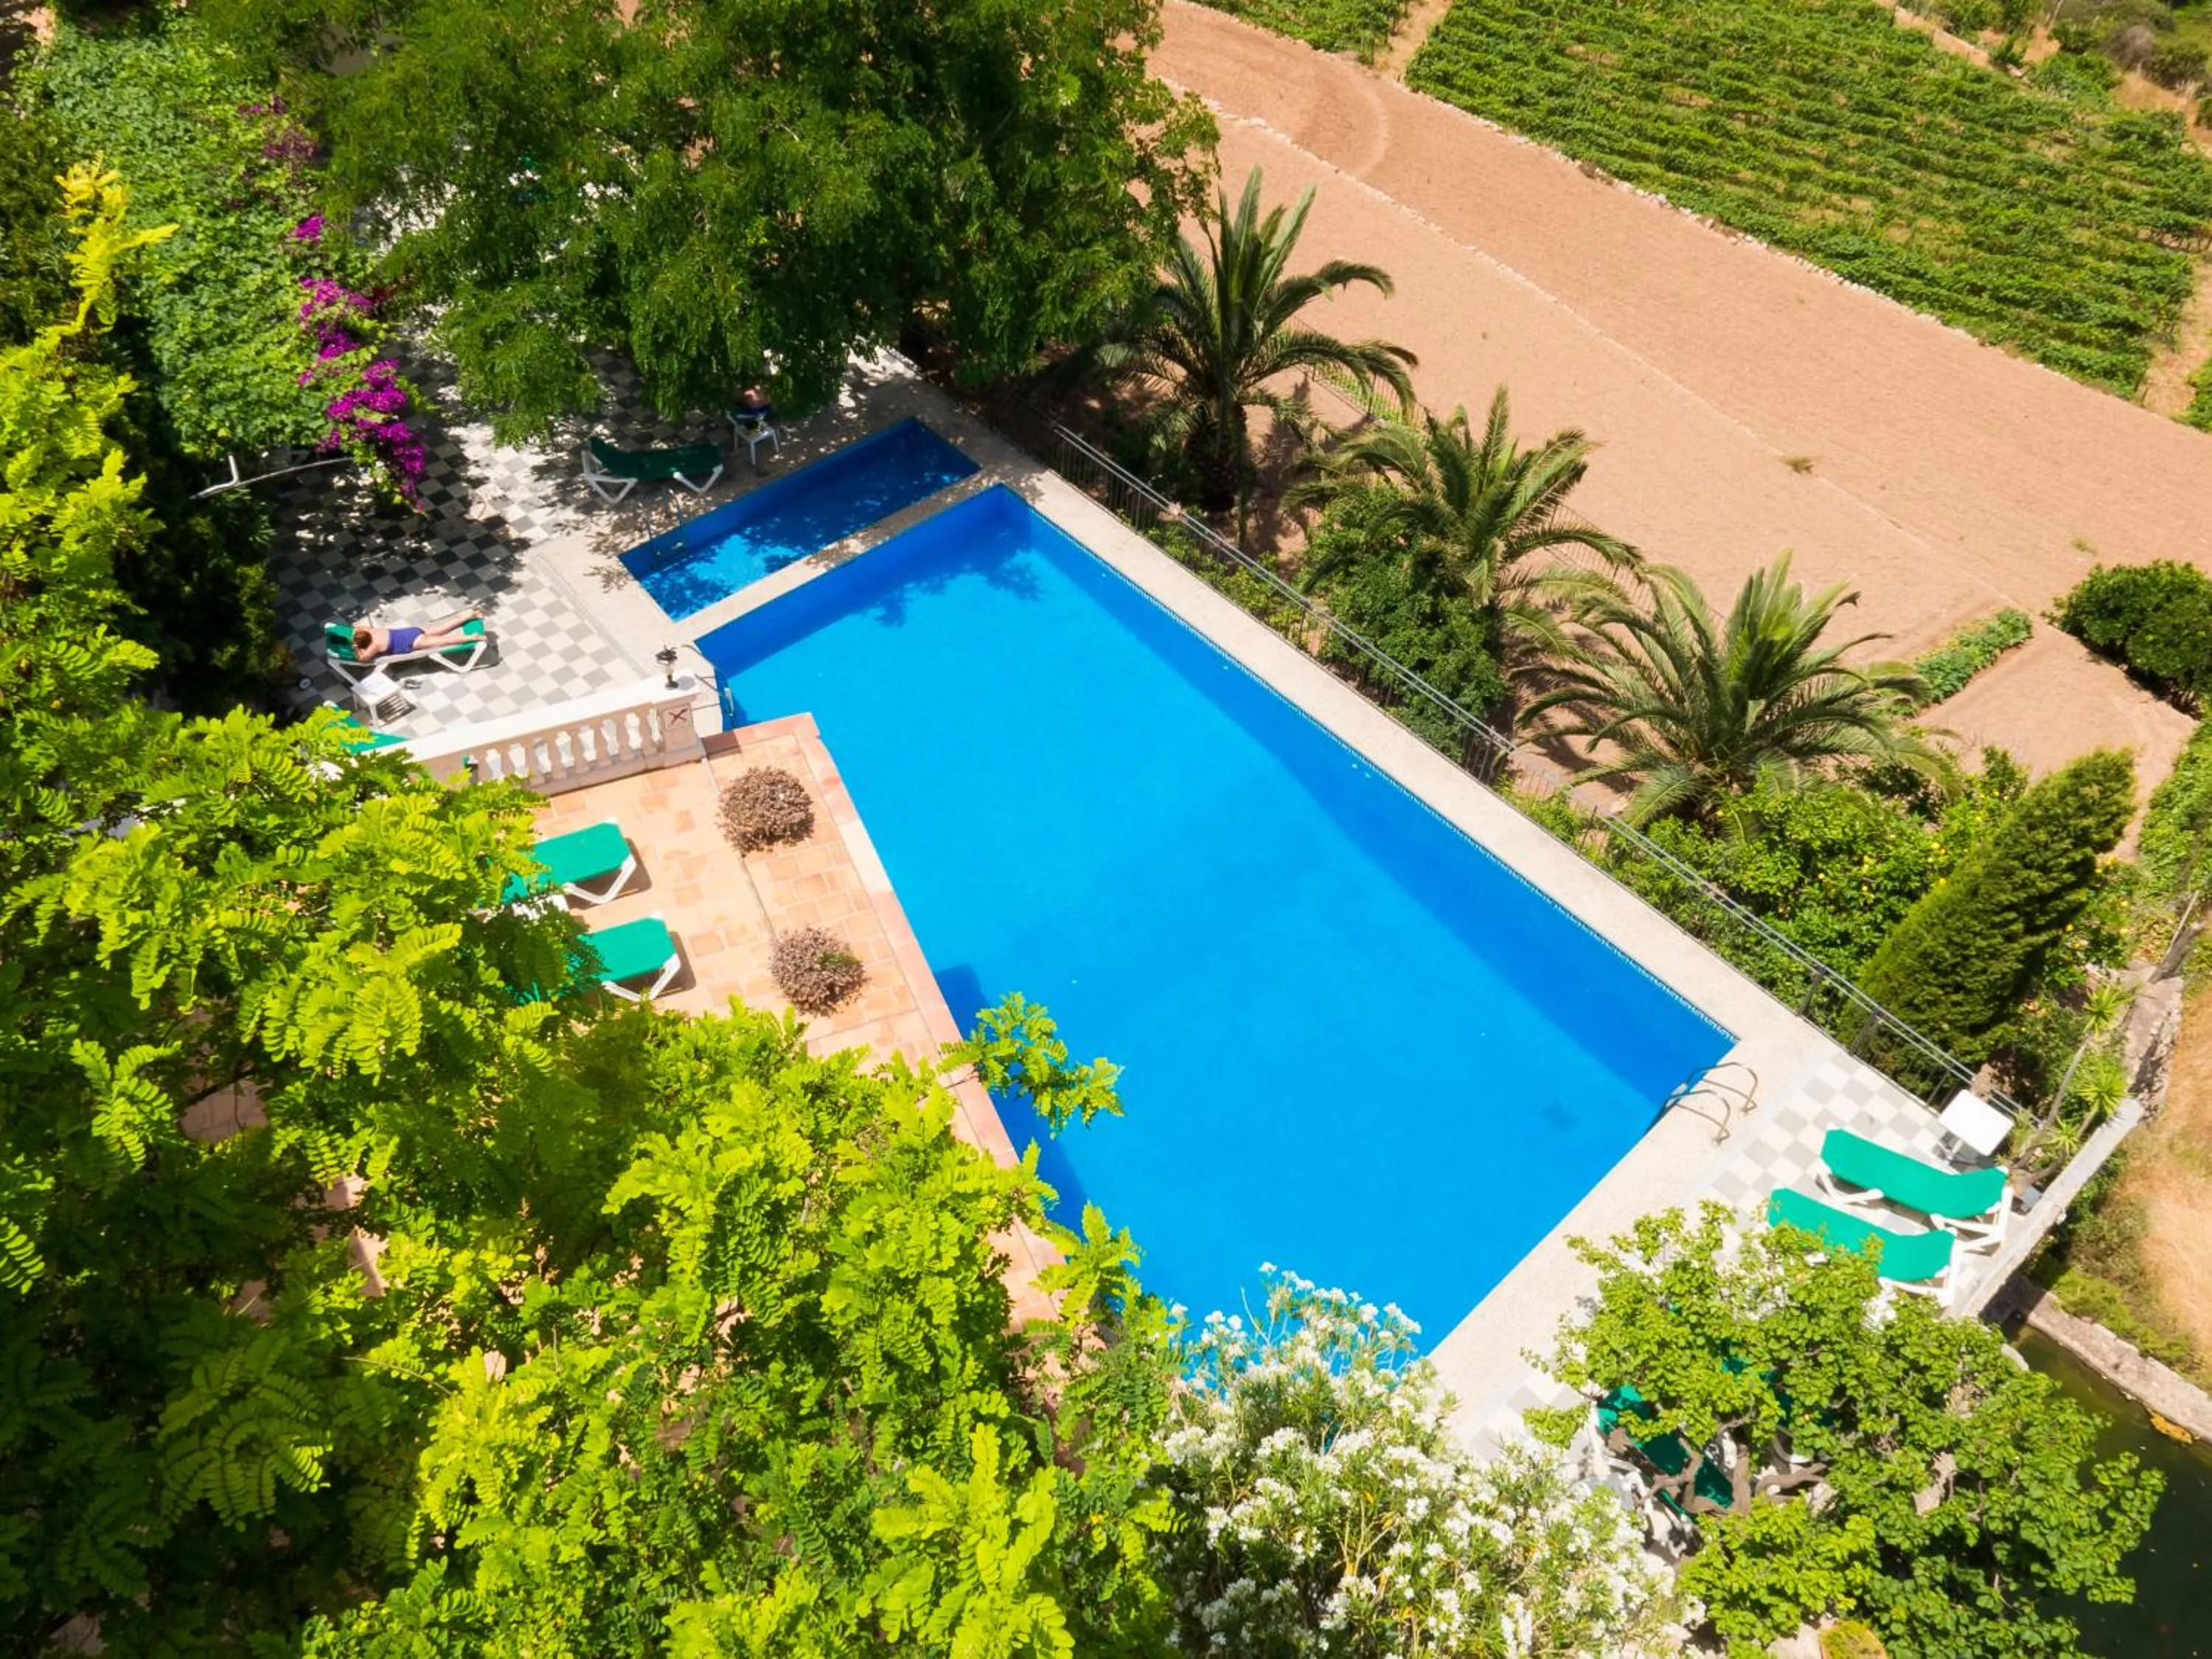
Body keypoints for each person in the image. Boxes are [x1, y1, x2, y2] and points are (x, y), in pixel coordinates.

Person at [351, 606, 483, 662]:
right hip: (412, 631)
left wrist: (356, 648)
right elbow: (357, 628)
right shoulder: (372, 631)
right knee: (442, 628)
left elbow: (363, 659)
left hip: (414, 642)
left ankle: (472, 637)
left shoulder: (374, 646)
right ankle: (470, 615)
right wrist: (356, 634)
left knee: (444, 641)